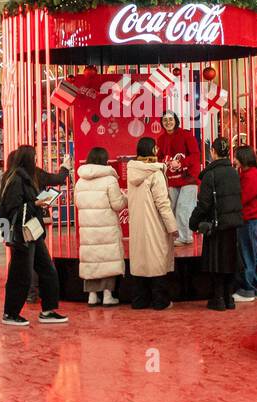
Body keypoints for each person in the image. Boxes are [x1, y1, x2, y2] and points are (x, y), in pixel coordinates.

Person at [0, 144, 70, 327]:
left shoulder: (28, 177)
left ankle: (48, 310)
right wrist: (36, 203)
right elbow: (12, 208)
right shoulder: (15, 179)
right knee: (20, 274)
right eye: (35, 158)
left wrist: (36, 203)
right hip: (23, 234)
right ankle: (11, 313)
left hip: (33, 231)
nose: (37, 161)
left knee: (47, 269)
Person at [190, 137, 245, 311]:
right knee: (230, 261)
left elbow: (204, 204)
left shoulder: (210, 174)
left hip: (215, 225)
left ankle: (218, 298)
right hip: (232, 224)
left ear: (213, 152)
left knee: (216, 263)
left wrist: (194, 222)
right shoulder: (234, 173)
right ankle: (229, 298)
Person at [126, 138, 178, 310]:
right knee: (157, 262)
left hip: (137, 225)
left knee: (140, 261)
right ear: (153, 150)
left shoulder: (132, 171)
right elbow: (163, 204)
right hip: (155, 225)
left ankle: (139, 300)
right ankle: (160, 301)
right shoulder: (156, 173)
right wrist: (173, 227)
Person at [75, 147, 126, 307]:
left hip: (87, 227)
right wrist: (126, 198)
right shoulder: (110, 180)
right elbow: (117, 204)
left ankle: (91, 295)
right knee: (107, 258)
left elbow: (77, 203)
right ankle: (107, 295)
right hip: (106, 226)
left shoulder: (80, 180)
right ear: (105, 160)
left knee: (92, 259)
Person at [233, 144, 257, 302]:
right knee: (255, 254)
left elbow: (241, 199)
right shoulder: (255, 173)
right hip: (256, 219)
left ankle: (248, 289)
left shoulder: (250, 176)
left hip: (250, 220)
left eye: (236, 157)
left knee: (249, 255)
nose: (234, 160)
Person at [157, 112, 202, 245]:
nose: (168, 122)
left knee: (184, 207)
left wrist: (181, 163)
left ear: (176, 120)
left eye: (170, 119)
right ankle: (176, 236)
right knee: (171, 209)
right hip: (171, 179)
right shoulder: (161, 139)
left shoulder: (186, 135)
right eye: (165, 120)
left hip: (189, 178)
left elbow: (195, 155)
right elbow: (159, 157)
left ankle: (185, 237)